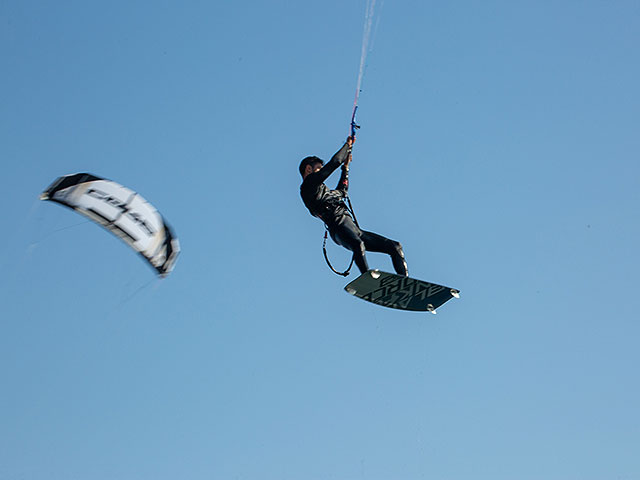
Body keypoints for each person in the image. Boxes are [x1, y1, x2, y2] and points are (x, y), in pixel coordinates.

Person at [299, 136, 408, 276]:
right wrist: (347, 145)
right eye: (319, 169)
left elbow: (342, 192)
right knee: (358, 245)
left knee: (395, 246)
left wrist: (345, 168)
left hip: (356, 230)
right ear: (308, 169)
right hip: (338, 229)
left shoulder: (324, 192)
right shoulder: (308, 187)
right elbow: (335, 162)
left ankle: (405, 283)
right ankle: (367, 278)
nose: (322, 172)